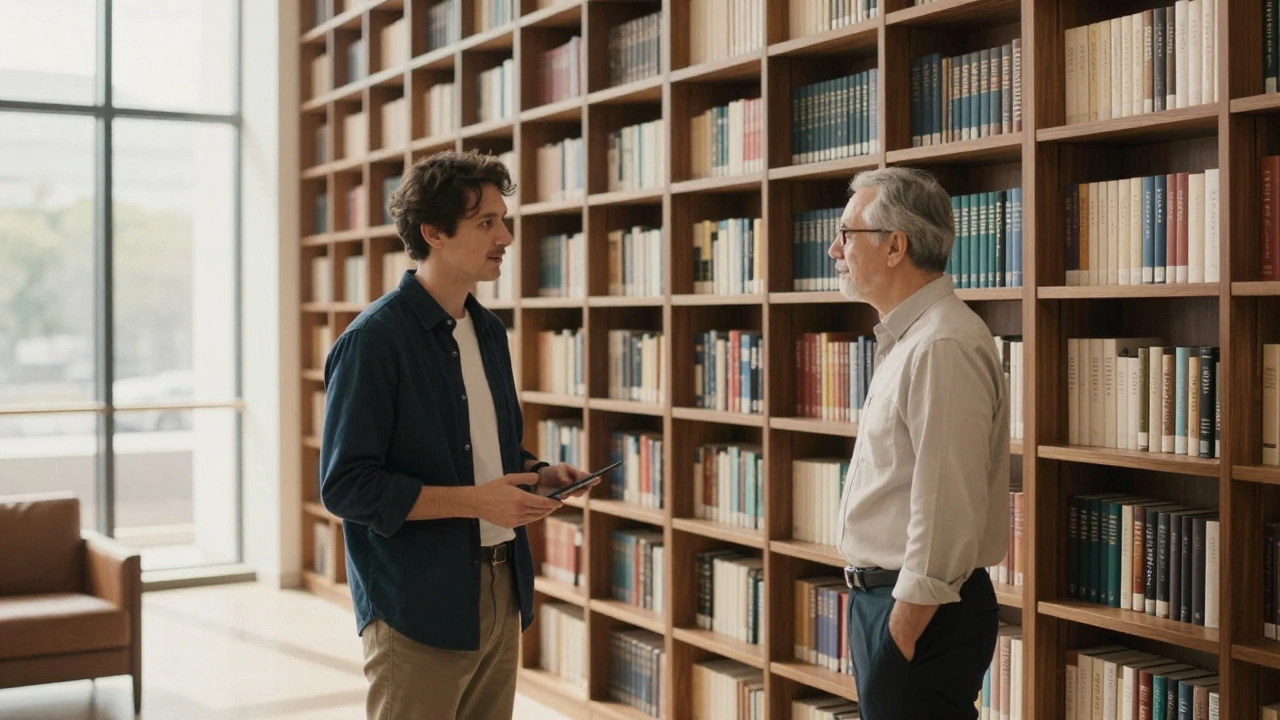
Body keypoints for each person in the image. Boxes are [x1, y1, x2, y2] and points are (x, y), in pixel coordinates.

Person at [319, 149, 595, 720]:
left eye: (503, 218)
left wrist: (538, 474)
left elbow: (479, 447)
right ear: (434, 233)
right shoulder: (373, 341)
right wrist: (476, 502)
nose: (508, 236)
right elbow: (346, 486)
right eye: (486, 222)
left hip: (502, 587)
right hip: (416, 599)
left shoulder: (488, 329)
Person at [829, 167, 1010, 719]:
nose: (835, 248)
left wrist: (900, 633)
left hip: (920, 613)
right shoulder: (909, 339)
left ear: (895, 246)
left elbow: (945, 510)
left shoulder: (942, 345)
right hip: (887, 604)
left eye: (847, 233)